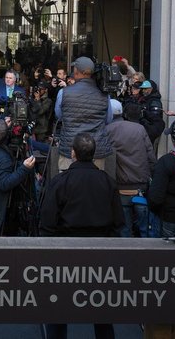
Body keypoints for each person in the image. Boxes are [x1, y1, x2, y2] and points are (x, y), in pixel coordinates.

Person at [39, 132, 122, 339]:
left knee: (58, 307)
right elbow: (118, 222)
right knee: (101, 310)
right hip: (100, 254)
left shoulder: (60, 182)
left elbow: (47, 223)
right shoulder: (108, 182)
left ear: (73, 153)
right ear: (93, 154)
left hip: (65, 253)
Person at [54, 57, 115, 179]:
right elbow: (108, 119)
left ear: (76, 71)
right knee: (95, 186)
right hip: (96, 150)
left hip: (70, 149)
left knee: (67, 185)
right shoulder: (104, 95)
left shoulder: (64, 92)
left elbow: (59, 116)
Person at [106, 100, 157, 238]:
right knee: (146, 231)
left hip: (120, 187)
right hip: (140, 188)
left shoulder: (108, 130)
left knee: (124, 231)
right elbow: (151, 158)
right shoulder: (140, 129)